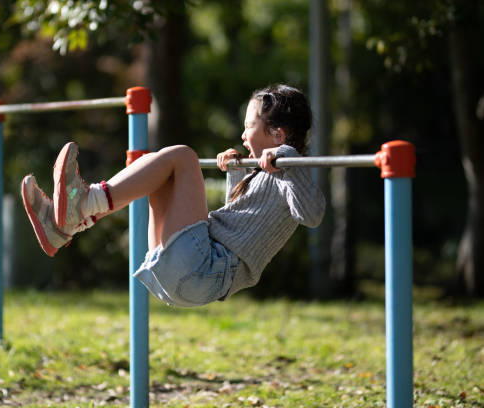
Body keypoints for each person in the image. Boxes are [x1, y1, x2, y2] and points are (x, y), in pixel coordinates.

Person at [21, 84, 326, 307]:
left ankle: (86, 205)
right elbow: (241, 219)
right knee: (162, 175)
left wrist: (286, 157)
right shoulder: (266, 170)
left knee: (183, 156)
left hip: (207, 271)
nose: (244, 135)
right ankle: (67, 224)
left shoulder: (289, 168)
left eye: (249, 127)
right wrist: (236, 172)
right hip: (187, 272)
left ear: (278, 135)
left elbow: (311, 215)